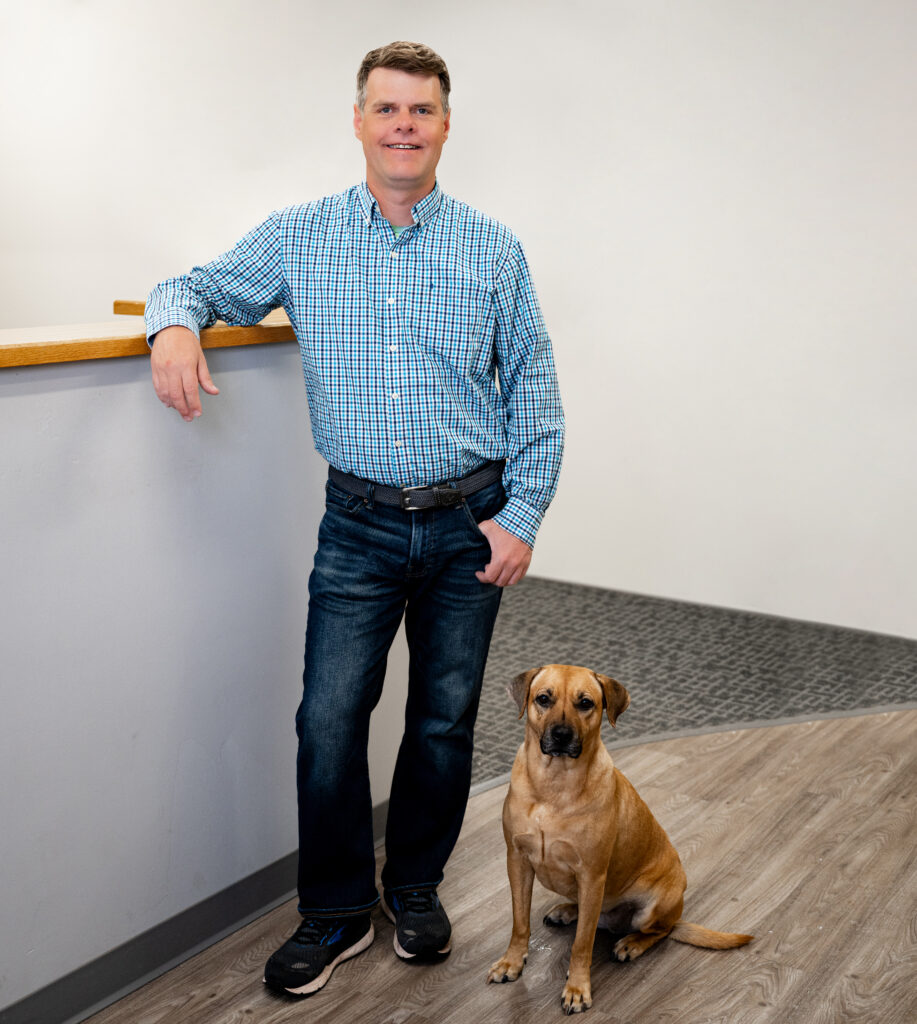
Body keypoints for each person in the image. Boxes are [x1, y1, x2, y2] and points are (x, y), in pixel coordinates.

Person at [146, 40, 564, 997]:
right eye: (386, 108)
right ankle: (334, 911)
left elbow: (536, 393)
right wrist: (172, 325)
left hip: (470, 522)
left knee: (443, 721)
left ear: (445, 125)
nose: (403, 125)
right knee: (328, 719)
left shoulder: (493, 250)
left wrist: (522, 514)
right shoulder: (301, 236)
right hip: (358, 526)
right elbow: (194, 285)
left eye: (421, 110)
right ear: (359, 120)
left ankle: (413, 889)